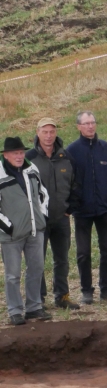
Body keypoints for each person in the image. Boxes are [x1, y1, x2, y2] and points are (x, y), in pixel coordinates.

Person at [65, 110, 107, 305]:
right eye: (86, 123)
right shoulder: (71, 151)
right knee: (83, 253)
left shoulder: (105, 148)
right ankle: (86, 290)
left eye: (93, 122)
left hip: (105, 209)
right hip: (82, 211)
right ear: (79, 127)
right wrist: (74, 201)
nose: (90, 126)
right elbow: (67, 179)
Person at [25, 117, 78, 310]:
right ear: (37, 132)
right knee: (37, 260)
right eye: (45, 132)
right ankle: (38, 299)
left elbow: (75, 185)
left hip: (61, 218)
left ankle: (62, 296)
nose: (49, 136)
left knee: (62, 259)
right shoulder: (28, 158)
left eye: (52, 132)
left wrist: (69, 209)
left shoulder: (66, 157)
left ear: (56, 133)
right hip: (38, 220)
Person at [1, 136, 51, 325]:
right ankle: (14, 311)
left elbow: (43, 194)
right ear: (6, 155)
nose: (20, 156)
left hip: (35, 231)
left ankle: (34, 308)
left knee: (36, 269)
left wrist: (41, 217)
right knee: (12, 275)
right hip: (10, 237)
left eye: (21, 152)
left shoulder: (31, 169)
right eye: (15, 153)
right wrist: (10, 227)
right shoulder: (0, 174)